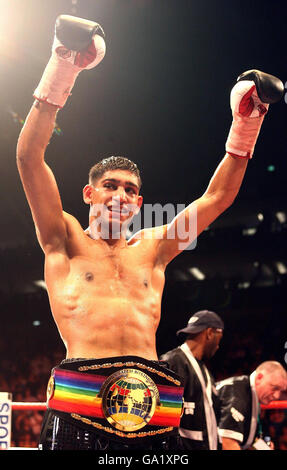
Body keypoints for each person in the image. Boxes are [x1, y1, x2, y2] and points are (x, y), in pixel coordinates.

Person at [16, 14, 284, 450]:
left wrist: (247, 121)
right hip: (81, 403)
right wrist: (63, 66)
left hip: (152, 407)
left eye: (130, 190)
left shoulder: (154, 249)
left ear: (140, 203)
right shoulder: (63, 238)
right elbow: (29, 158)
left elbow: (216, 199)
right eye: (110, 186)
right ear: (88, 194)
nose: (120, 195)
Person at [161, 310, 224, 450]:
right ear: (209, 333)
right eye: (219, 339)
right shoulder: (172, 362)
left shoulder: (205, 371)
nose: (218, 346)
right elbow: (162, 424)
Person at [216, 361, 287, 450]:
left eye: (281, 390)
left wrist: (264, 448)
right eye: (275, 388)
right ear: (259, 378)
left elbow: (250, 440)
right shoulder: (238, 395)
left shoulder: (252, 396)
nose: (277, 396)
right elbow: (227, 443)